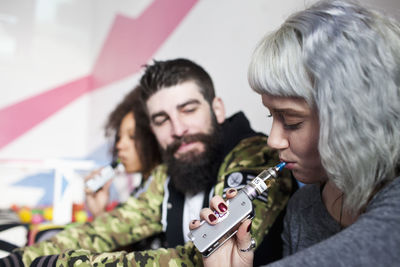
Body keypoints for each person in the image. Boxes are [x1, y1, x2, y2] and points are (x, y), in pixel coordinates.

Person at [0, 58, 296, 266]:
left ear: (217, 109)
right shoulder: (169, 173)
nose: (178, 129)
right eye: (161, 119)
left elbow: (204, 256)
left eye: (189, 110)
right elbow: (105, 230)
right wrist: (19, 260)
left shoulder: (256, 158)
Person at [190, 0, 400, 266]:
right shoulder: (302, 208)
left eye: (291, 120)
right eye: (272, 115)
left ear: (356, 116)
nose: (272, 140)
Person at [85, 86, 161, 217]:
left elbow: (122, 230)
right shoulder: (142, 188)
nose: (120, 145)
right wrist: (98, 212)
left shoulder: (160, 187)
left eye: (132, 136)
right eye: (119, 137)